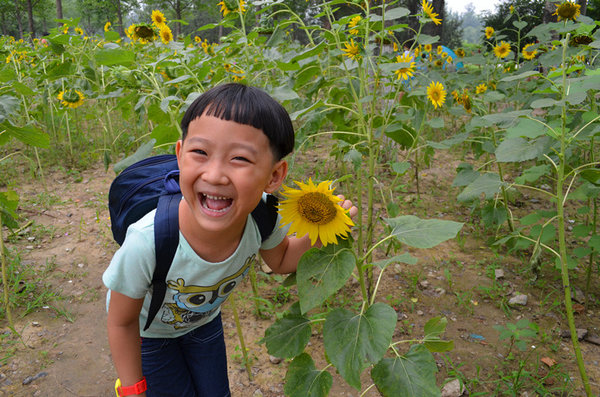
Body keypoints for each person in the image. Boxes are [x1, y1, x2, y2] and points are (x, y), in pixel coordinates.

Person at [103, 83, 357, 397]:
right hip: (148, 333)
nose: (215, 174)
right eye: (200, 153)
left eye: (239, 159)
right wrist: (133, 388)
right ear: (180, 156)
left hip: (203, 322)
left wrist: (327, 226)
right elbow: (121, 323)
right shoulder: (147, 242)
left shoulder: (263, 217)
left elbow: (279, 260)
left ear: (274, 176)